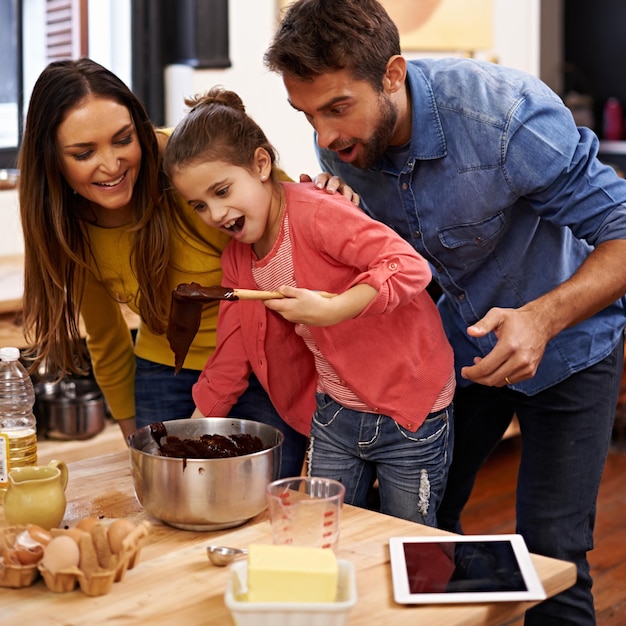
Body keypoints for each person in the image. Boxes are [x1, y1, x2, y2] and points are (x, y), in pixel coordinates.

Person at [264, 1, 626, 624]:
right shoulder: (340, 148)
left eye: (336, 108)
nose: (323, 137)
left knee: (554, 553)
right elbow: (391, 267)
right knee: (418, 530)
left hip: (570, 347)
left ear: (393, 74)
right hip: (453, 358)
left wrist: (541, 318)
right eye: (308, 114)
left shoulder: (503, 116)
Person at [17, 58, 348, 477]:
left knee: (262, 503)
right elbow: (107, 339)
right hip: (163, 372)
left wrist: (331, 200)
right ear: (53, 161)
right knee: (169, 496)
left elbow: (292, 208)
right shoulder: (67, 225)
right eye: (84, 153)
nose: (111, 164)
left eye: (123, 140)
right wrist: (131, 439)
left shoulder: (195, 165)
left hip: (264, 363)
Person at [162, 87, 456, 526]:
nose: (217, 213)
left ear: (261, 164)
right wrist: (187, 438)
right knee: (318, 530)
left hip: (407, 406)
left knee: (405, 539)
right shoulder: (237, 260)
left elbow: (409, 267)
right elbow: (231, 354)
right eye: (200, 205)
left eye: (222, 191)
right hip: (334, 412)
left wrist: (336, 309)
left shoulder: (318, 213)